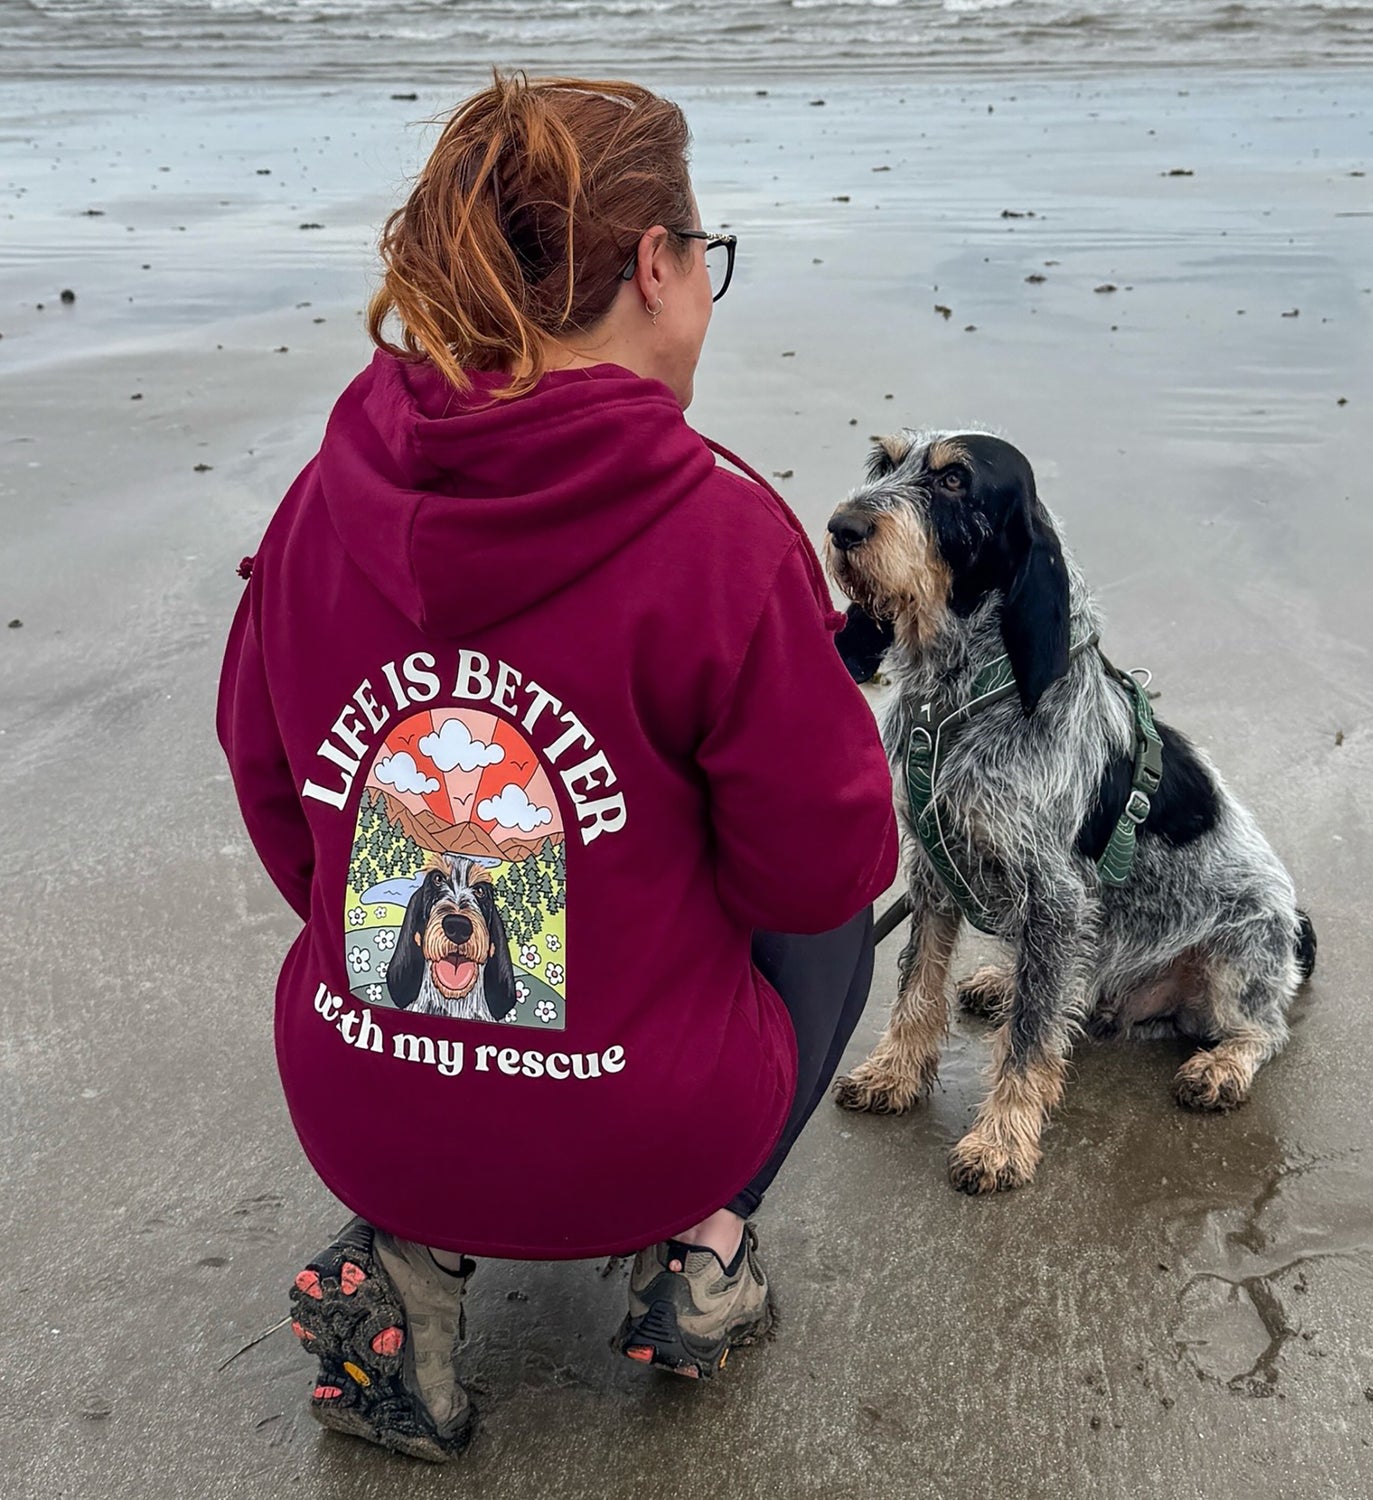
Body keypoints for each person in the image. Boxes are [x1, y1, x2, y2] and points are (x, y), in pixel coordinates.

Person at [216, 72, 897, 1464]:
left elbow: (276, 786)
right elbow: (821, 865)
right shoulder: (722, 531)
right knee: (837, 915)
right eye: (705, 257)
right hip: (644, 1127)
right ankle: (705, 1243)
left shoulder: (317, 499)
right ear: (656, 266)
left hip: (359, 1096)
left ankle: (409, 1251)